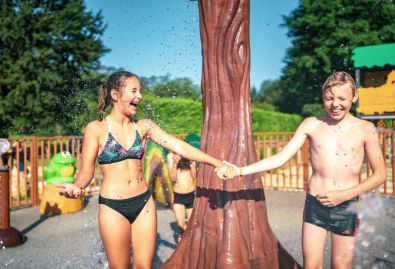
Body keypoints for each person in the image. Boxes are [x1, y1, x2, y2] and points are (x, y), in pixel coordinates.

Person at [55, 71, 228, 269]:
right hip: (112, 206)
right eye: (134, 91)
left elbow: (179, 146)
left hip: (143, 203)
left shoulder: (144, 127)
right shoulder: (96, 129)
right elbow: (86, 170)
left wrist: (216, 162)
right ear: (115, 94)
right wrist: (77, 186)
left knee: (144, 267)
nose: (140, 96)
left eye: (141, 91)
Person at [219, 71, 387, 269]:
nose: (335, 104)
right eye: (329, 98)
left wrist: (346, 194)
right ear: (322, 97)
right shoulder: (311, 124)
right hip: (315, 205)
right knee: (311, 266)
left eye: (342, 98)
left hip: (347, 207)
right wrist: (239, 171)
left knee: (341, 266)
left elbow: (380, 175)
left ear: (354, 97)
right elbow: (280, 158)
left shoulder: (365, 129)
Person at [167, 152, 197, 240]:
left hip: (191, 195)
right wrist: (175, 164)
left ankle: (188, 245)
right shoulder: (171, 157)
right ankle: (182, 245)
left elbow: (194, 176)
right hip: (178, 196)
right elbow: (173, 178)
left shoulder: (190, 156)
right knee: (181, 226)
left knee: (192, 225)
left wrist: (192, 164)